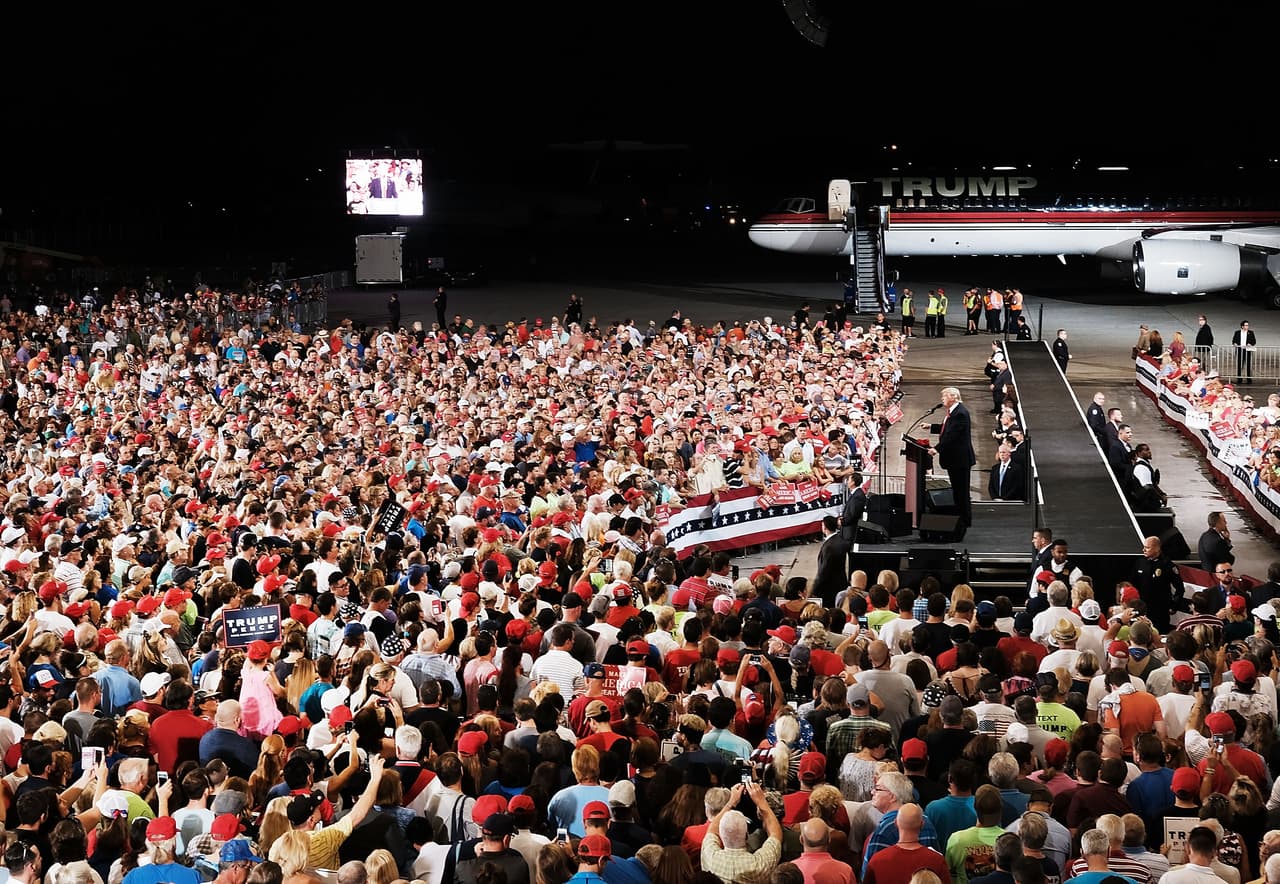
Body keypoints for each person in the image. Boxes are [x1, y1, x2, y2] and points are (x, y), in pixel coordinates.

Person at [926, 387, 975, 530]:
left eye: (944, 396)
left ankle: (964, 519)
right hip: (955, 459)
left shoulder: (960, 413)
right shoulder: (954, 412)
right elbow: (947, 428)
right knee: (957, 490)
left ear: (953, 397)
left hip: (959, 459)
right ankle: (961, 517)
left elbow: (951, 435)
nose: (942, 399)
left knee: (961, 491)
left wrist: (937, 448)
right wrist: (931, 427)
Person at [1130, 535, 1185, 633]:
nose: (1144, 550)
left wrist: (1174, 605)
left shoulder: (1167, 565)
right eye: (1144, 547)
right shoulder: (1140, 563)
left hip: (1160, 611)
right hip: (1142, 610)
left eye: (1147, 547)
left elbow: (1179, 588)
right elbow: (1133, 584)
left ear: (1157, 548)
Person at [812, 515, 851, 606]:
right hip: (841, 583)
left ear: (824, 527)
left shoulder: (829, 547)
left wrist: (815, 588)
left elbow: (824, 571)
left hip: (829, 588)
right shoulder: (840, 539)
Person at [1232, 320, 1256, 385]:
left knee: (1248, 365)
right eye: (1246, 325)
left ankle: (1249, 379)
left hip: (1247, 350)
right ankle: (1239, 379)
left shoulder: (1251, 333)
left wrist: (1250, 344)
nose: (1247, 326)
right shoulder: (1237, 332)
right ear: (1242, 326)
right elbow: (1234, 340)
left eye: (1247, 325)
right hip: (1240, 350)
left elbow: (1254, 341)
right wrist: (1235, 343)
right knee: (1240, 365)